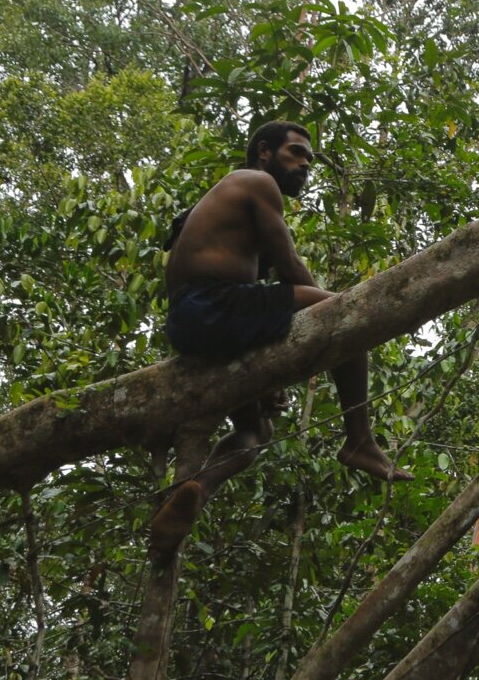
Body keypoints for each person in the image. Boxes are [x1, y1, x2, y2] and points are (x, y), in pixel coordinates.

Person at [149, 119, 408, 545]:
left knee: (254, 436)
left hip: (197, 323)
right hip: (210, 306)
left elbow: (261, 301)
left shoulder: (226, 204)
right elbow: (290, 271)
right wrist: (334, 306)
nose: (305, 164)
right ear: (265, 152)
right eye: (296, 153)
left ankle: (189, 496)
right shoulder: (255, 181)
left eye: (309, 158)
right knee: (345, 312)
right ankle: (359, 440)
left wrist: (265, 374)